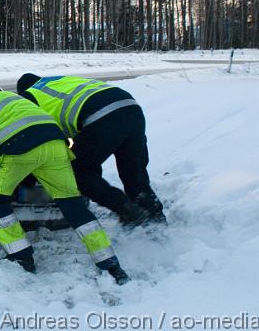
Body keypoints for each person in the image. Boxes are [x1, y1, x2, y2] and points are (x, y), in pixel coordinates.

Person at [0, 70, 129, 284]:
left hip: (19, 147)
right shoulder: (6, 96)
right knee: (72, 203)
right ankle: (110, 264)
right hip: (54, 143)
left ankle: (21, 257)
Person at [16, 73, 166, 226]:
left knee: (74, 170)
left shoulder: (29, 98)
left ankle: (126, 210)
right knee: (134, 175)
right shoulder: (57, 81)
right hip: (131, 109)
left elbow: (39, 143)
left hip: (102, 117)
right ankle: (157, 224)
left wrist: (26, 179)